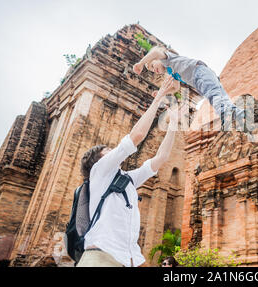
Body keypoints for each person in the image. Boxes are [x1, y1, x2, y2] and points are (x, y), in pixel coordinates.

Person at [76, 77, 180, 267]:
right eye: (108, 150)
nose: (113, 151)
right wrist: (158, 99)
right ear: (99, 159)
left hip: (128, 258)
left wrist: (173, 124)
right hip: (101, 256)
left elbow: (161, 158)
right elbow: (137, 136)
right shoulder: (99, 171)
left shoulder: (126, 180)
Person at [132, 46, 248, 132]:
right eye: (152, 70)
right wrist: (162, 93)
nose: (154, 70)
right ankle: (239, 113)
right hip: (200, 78)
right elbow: (176, 88)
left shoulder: (167, 59)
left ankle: (225, 114)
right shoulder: (171, 72)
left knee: (213, 94)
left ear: (157, 59)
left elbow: (156, 52)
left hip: (199, 73)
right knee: (220, 95)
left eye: (152, 65)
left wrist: (141, 63)